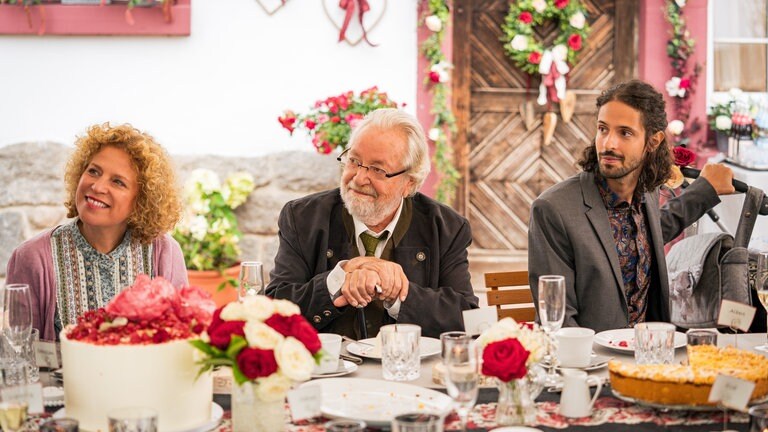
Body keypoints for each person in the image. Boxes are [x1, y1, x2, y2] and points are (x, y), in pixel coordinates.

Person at [528, 80, 735, 332]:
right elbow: (558, 320)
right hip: (592, 363)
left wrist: (706, 189)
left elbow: (656, 229)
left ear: (653, 141)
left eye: (625, 133)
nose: (608, 144)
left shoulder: (645, 194)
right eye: (603, 129)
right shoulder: (553, 209)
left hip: (653, 355)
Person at [266, 108, 478, 339]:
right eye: (354, 161)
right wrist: (338, 278)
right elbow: (272, 310)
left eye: (378, 169)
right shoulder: (302, 218)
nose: (358, 178)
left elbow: (469, 320)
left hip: (407, 371)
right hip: (326, 372)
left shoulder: (446, 228)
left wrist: (396, 292)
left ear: (410, 183)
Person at [5, 123, 187, 341]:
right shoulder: (32, 257)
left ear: (142, 200)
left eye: (118, 182)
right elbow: (19, 352)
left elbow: (180, 342)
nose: (98, 187)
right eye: (93, 171)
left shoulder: (165, 253)